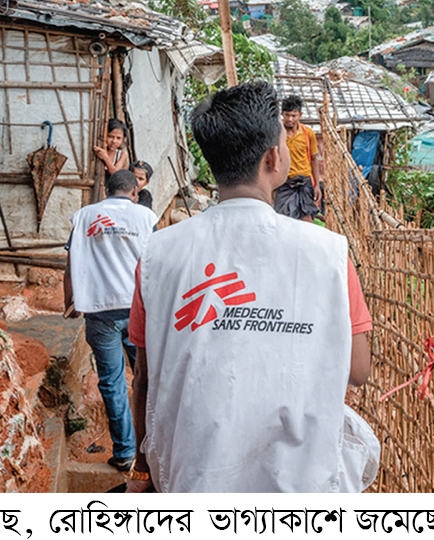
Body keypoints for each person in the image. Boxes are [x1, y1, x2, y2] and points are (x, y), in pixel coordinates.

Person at [127, 81, 378, 492]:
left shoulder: (159, 254)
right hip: (303, 485)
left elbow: (145, 378)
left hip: (192, 479)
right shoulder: (328, 253)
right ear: (274, 158)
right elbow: (358, 370)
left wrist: (142, 466)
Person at [63, 169, 157, 473]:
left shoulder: (84, 216)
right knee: (150, 378)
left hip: (99, 311)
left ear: (106, 190)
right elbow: (157, 263)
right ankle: (156, 447)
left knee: (112, 383)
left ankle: (125, 452)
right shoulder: (145, 217)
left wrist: (71, 300)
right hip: (138, 310)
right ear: (133, 192)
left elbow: (70, 263)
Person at [272, 95, 322, 222]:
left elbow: (314, 159)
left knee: (307, 220)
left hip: (304, 182)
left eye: (294, 116)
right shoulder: (276, 133)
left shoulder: (307, 133)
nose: (290, 119)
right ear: (282, 113)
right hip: (284, 182)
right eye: (287, 115)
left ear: (300, 115)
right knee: (283, 220)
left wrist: (316, 185)